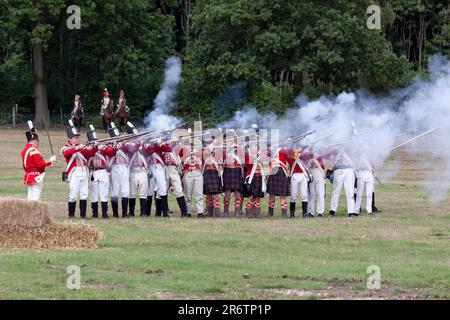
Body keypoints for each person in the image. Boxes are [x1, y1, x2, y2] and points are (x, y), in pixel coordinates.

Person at [61, 120, 97, 219]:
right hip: (74, 173)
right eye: (75, 138)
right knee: (73, 195)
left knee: (84, 194)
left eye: (78, 137)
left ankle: (83, 215)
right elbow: (66, 153)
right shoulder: (66, 147)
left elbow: (90, 153)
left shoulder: (81, 147)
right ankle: (71, 215)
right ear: (70, 139)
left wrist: (95, 146)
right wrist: (78, 148)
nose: (77, 139)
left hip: (84, 172)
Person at [21, 121, 56, 200]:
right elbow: (39, 164)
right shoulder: (34, 150)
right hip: (36, 176)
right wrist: (50, 161)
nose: (38, 142)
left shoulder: (25, 150)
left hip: (29, 175)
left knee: (30, 196)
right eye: (37, 140)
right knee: (35, 197)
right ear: (33, 140)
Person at [86, 125, 115, 218]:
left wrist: (112, 145)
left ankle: (104, 213)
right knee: (93, 194)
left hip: (102, 171)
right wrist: (94, 147)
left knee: (104, 193)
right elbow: (88, 153)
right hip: (92, 172)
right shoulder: (87, 148)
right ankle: (95, 214)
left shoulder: (102, 147)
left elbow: (111, 151)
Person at [178, 133, 204, 218]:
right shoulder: (183, 149)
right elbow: (180, 153)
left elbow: (205, 154)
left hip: (198, 173)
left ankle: (200, 213)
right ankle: (188, 212)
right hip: (187, 173)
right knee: (188, 195)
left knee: (199, 195)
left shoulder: (199, 149)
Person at [326, 146, 356, 217]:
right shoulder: (334, 148)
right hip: (338, 170)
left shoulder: (351, 147)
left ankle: (351, 212)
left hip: (349, 170)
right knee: (336, 192)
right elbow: (328, 154)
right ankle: (332, 211)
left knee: (350, 192)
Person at [222, 131, 245, 217]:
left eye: (230, 137)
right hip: (227, 170)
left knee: (237, 193)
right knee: (227, 193)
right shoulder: (222, 149)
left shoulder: (239, 148)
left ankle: (237, 212)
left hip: (236, 170)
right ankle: (225, 212)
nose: (229, 139)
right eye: (227, 138)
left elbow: (243, 158)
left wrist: (239, 147)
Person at [163, 139, 188, 217]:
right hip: (163, 169)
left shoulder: (174, 144)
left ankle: (184, 212)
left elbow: (182, 150)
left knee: (178, 190)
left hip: (173, 169)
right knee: (163, 191)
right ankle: (162, 212)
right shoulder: (160, 144)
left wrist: (178, 141)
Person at [201, 135, 223, 217]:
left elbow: (220, 159)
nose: (208, 142)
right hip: (207, 172)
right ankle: (209, 212)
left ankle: (217, 213)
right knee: (208, 194)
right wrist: (210, 148)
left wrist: (215, 147)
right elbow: (205, 155)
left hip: (214, 172)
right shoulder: (203, 150)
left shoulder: (217, 150)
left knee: (215, 194)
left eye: (209, 140)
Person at [287, 145, 311, 218]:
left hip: (303, 175)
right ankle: (292, 213)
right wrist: (296, 152)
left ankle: (304, 213)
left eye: (298, 148)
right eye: (296, 148)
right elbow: (291, 160)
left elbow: (309, 156)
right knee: (293, 196)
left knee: (304, 195)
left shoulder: (304, 154)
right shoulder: (291, 155)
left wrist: (301, 151)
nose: (297, 149)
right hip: (294, 175)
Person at [266, 146, 290, 218]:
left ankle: (283, 213)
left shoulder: (283, 149)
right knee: (272, 194)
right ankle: (271, 213)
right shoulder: (270, 150)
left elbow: (290, 157)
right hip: (274, 172)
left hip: (279, 171)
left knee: (281, 195)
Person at [306, 147, 326, 218]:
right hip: (310, 172)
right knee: (311, 194)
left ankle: (320, 212)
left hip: (318, 171)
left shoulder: (319, 151)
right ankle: (311, 212)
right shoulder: (307, 153)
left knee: (320, 193)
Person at [354, 150, 376, 215]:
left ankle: (369, 210)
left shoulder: (370, 154)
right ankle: (356, 210)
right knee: (359, 193)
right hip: (361, 172)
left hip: (369, 173)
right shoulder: (358, 155)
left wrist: (372, 169)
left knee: (369, 193)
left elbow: (372, 164)